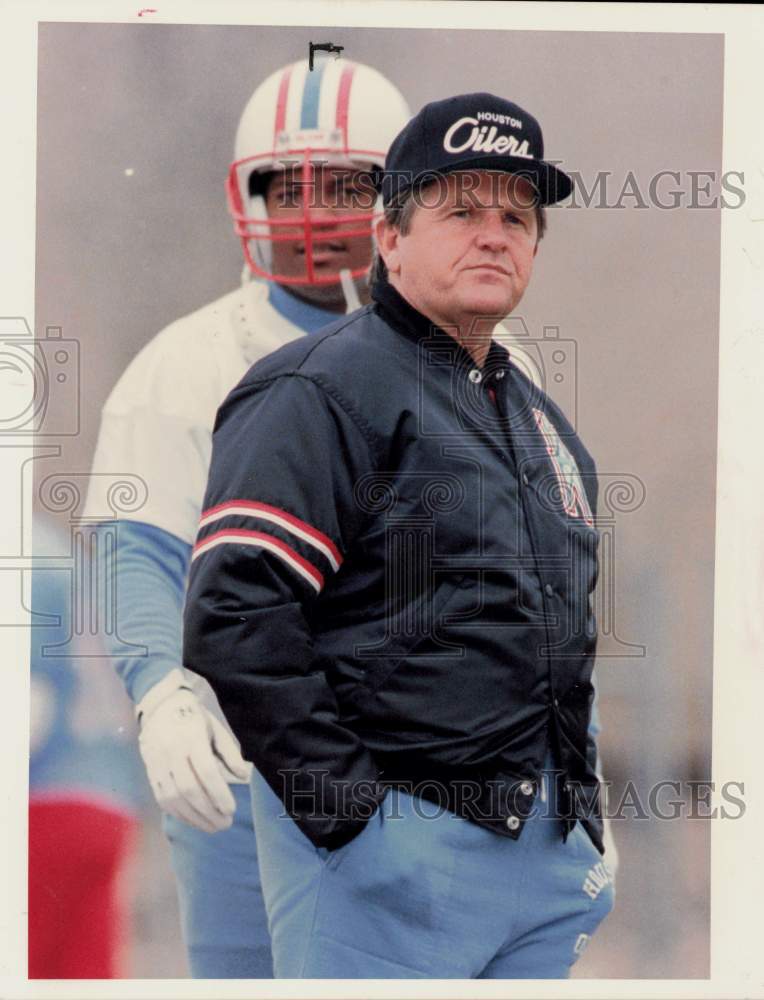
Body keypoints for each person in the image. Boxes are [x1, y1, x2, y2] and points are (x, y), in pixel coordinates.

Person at [183, 92, 617, 979]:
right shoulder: (316, 388)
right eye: (459, 210)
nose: (494, 234)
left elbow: (560, 636)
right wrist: (353, 818)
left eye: (516, 215)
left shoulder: (541, 422)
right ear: (388, 236)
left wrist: (584, 828)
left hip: (540, 866)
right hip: (387, 854)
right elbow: (235, 614)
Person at [84, 56, 411, 978]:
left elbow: (547, 580)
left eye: (348, 183)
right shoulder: (185, 363)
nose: (314, 209)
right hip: (253, 758)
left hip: (435, 765)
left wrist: (567, 781)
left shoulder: (478, 355)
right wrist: (160, 689)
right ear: (247, 194)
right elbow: (135, 546)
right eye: (288, 182)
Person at [29, 516, 145, 978]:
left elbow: (29, 701)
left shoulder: (23, 557)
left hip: (45, 800)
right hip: (110, 797)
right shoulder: (66, 555)